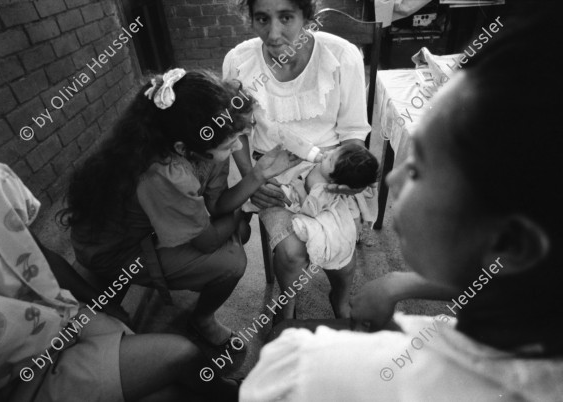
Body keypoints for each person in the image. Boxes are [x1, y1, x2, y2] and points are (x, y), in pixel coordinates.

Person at [240, 8, 563, 401]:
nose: (393, 178)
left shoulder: (306, 372)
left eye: (419, 167)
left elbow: (351, 141)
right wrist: (400, 281)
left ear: (512, 243)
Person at [0, 136, 241, 402]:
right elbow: (208, 239)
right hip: (19, 380)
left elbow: (39, 255)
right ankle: (241, 394)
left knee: (169, 386)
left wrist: (99, 303)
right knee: (182, 358)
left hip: (61, 317)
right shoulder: (168, 170)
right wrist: (243, 202)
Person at [59, 69, 300, 351]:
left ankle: (194, 286)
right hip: (115, 250)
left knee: (238, 232)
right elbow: (208, 239)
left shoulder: (203, 140)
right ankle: (202, 319)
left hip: (145, 228)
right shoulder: (165, 175)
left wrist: (257, 175)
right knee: (232, 262)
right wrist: (244, 208)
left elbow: (215, 204)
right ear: (183, 148)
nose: (237, 147)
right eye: (229, 144)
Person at [223, 0, 372, 319]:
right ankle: (286, 304)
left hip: (331, 172)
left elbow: (353, 132)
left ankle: (340, 296)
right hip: (272, 176)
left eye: (286, 18)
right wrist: (252, 180)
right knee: (291, 254)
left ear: (307, 15)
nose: (273, 33)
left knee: (342, 257)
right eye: (262, 19)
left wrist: (344, 178)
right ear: (250, 18)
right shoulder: (238, 62)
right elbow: (235, 132)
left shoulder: (342, 57)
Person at [285, 143, 378, 273]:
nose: (327, 153)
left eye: (330, 160)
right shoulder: (325, 170)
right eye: (334, 150)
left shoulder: (321, 191)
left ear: (333, 181)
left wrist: (300, 189)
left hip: (305, 200)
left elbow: (310, 210)